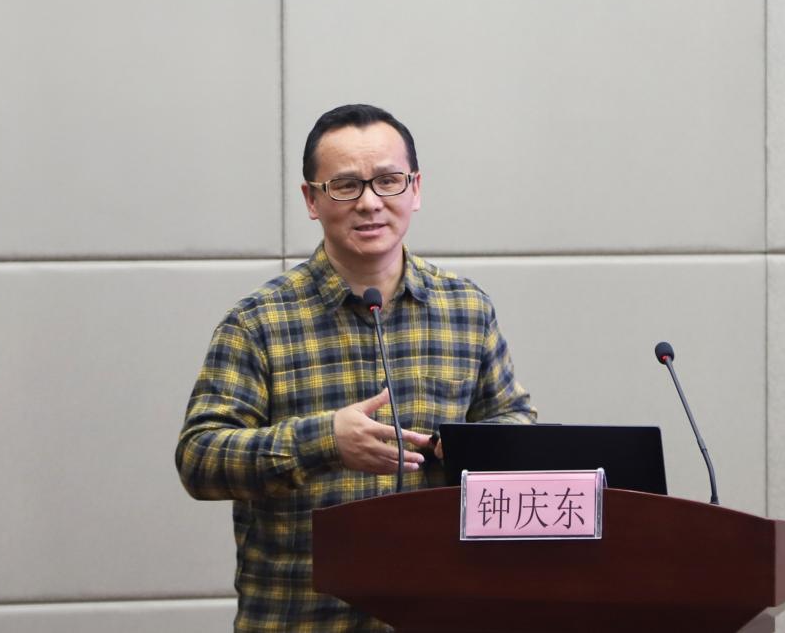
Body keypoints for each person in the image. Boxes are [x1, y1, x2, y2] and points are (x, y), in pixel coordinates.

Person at [176, 104, 536, 632]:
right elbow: (200, 457)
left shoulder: (465, 308)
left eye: (388, 181)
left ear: (415, 189)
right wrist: (324, 441)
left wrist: (465, 445)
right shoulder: (259, 321)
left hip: (439, 610)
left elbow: (517, 424)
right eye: (346, 186)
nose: (370, 202)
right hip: (302, 618)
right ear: (312, 200)